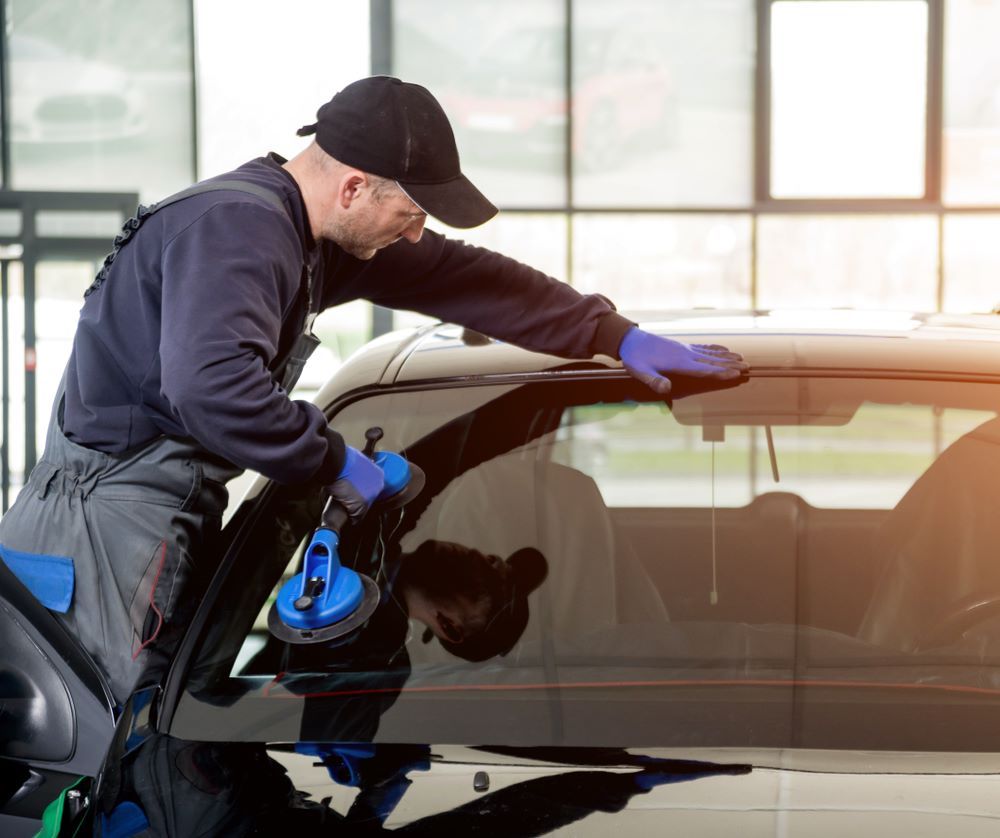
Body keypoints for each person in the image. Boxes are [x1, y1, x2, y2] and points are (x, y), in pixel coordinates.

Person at [0, 75, 747, 704]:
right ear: (355, 186)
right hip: (96, 535)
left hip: (147, 519)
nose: (416, 233)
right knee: (111, 755)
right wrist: (335, 465)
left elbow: (460, 278)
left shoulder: (309, 238)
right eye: (412, 213)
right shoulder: (240, 229)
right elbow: (213, 389)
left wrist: (610, 334)